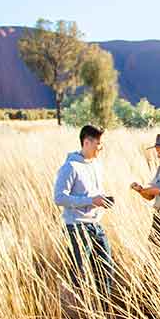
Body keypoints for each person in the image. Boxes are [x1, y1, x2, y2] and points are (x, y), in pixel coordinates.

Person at [53, 124, 113, 308]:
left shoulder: (95, 165)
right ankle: (74, 313)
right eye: (98, 144)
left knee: (105, 268)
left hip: (95, 225)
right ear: (86, 142)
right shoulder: (70, 167)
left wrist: (101, 201)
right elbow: (59, 198)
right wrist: (90, 201)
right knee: (79, 273)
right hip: (77, 227)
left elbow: (93, 195)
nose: (100, 148)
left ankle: (104, 311)